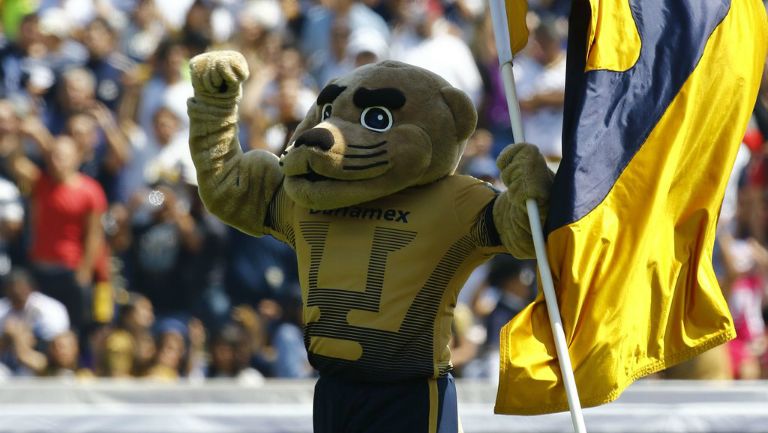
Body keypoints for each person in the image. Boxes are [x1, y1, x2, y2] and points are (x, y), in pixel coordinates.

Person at [8, 135, 107, 333]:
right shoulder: (41, 182)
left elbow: (94, 236)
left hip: (69, 270)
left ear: (76, 158)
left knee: (74, 329)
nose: (56, 161)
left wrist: (84, 272)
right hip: (40, 268)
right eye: (52, 156)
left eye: (62, 156)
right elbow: (15, 163)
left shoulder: (90, 191)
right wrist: (32, 133)